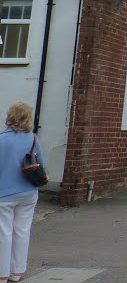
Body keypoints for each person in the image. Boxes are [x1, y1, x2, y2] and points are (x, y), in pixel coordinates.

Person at [0, 102, 42, 283]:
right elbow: (41, 162)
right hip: (28, 192)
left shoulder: (1, 140)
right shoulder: (33, 138)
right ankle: (17, 272)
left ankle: (2, 273)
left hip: (4, 194)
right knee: (22, 231)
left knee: (4, 233)